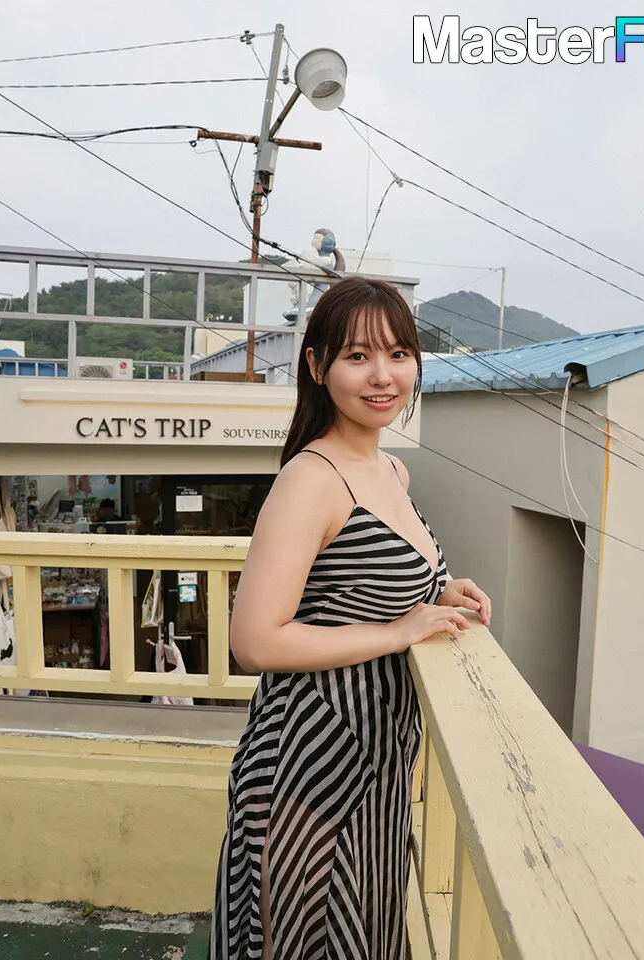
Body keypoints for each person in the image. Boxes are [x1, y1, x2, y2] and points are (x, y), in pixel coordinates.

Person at [209, 276, 492, 960]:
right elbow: (255, 641)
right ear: (317, 366)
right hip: (312, 758)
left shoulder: (390, 470)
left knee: (363, 934)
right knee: (303, 942)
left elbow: (356, 587)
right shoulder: (310, 479)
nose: (382, 375)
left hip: (379, 759)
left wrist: (438, 591)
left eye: (398, 353)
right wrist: (397, 633)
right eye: (357, 356)